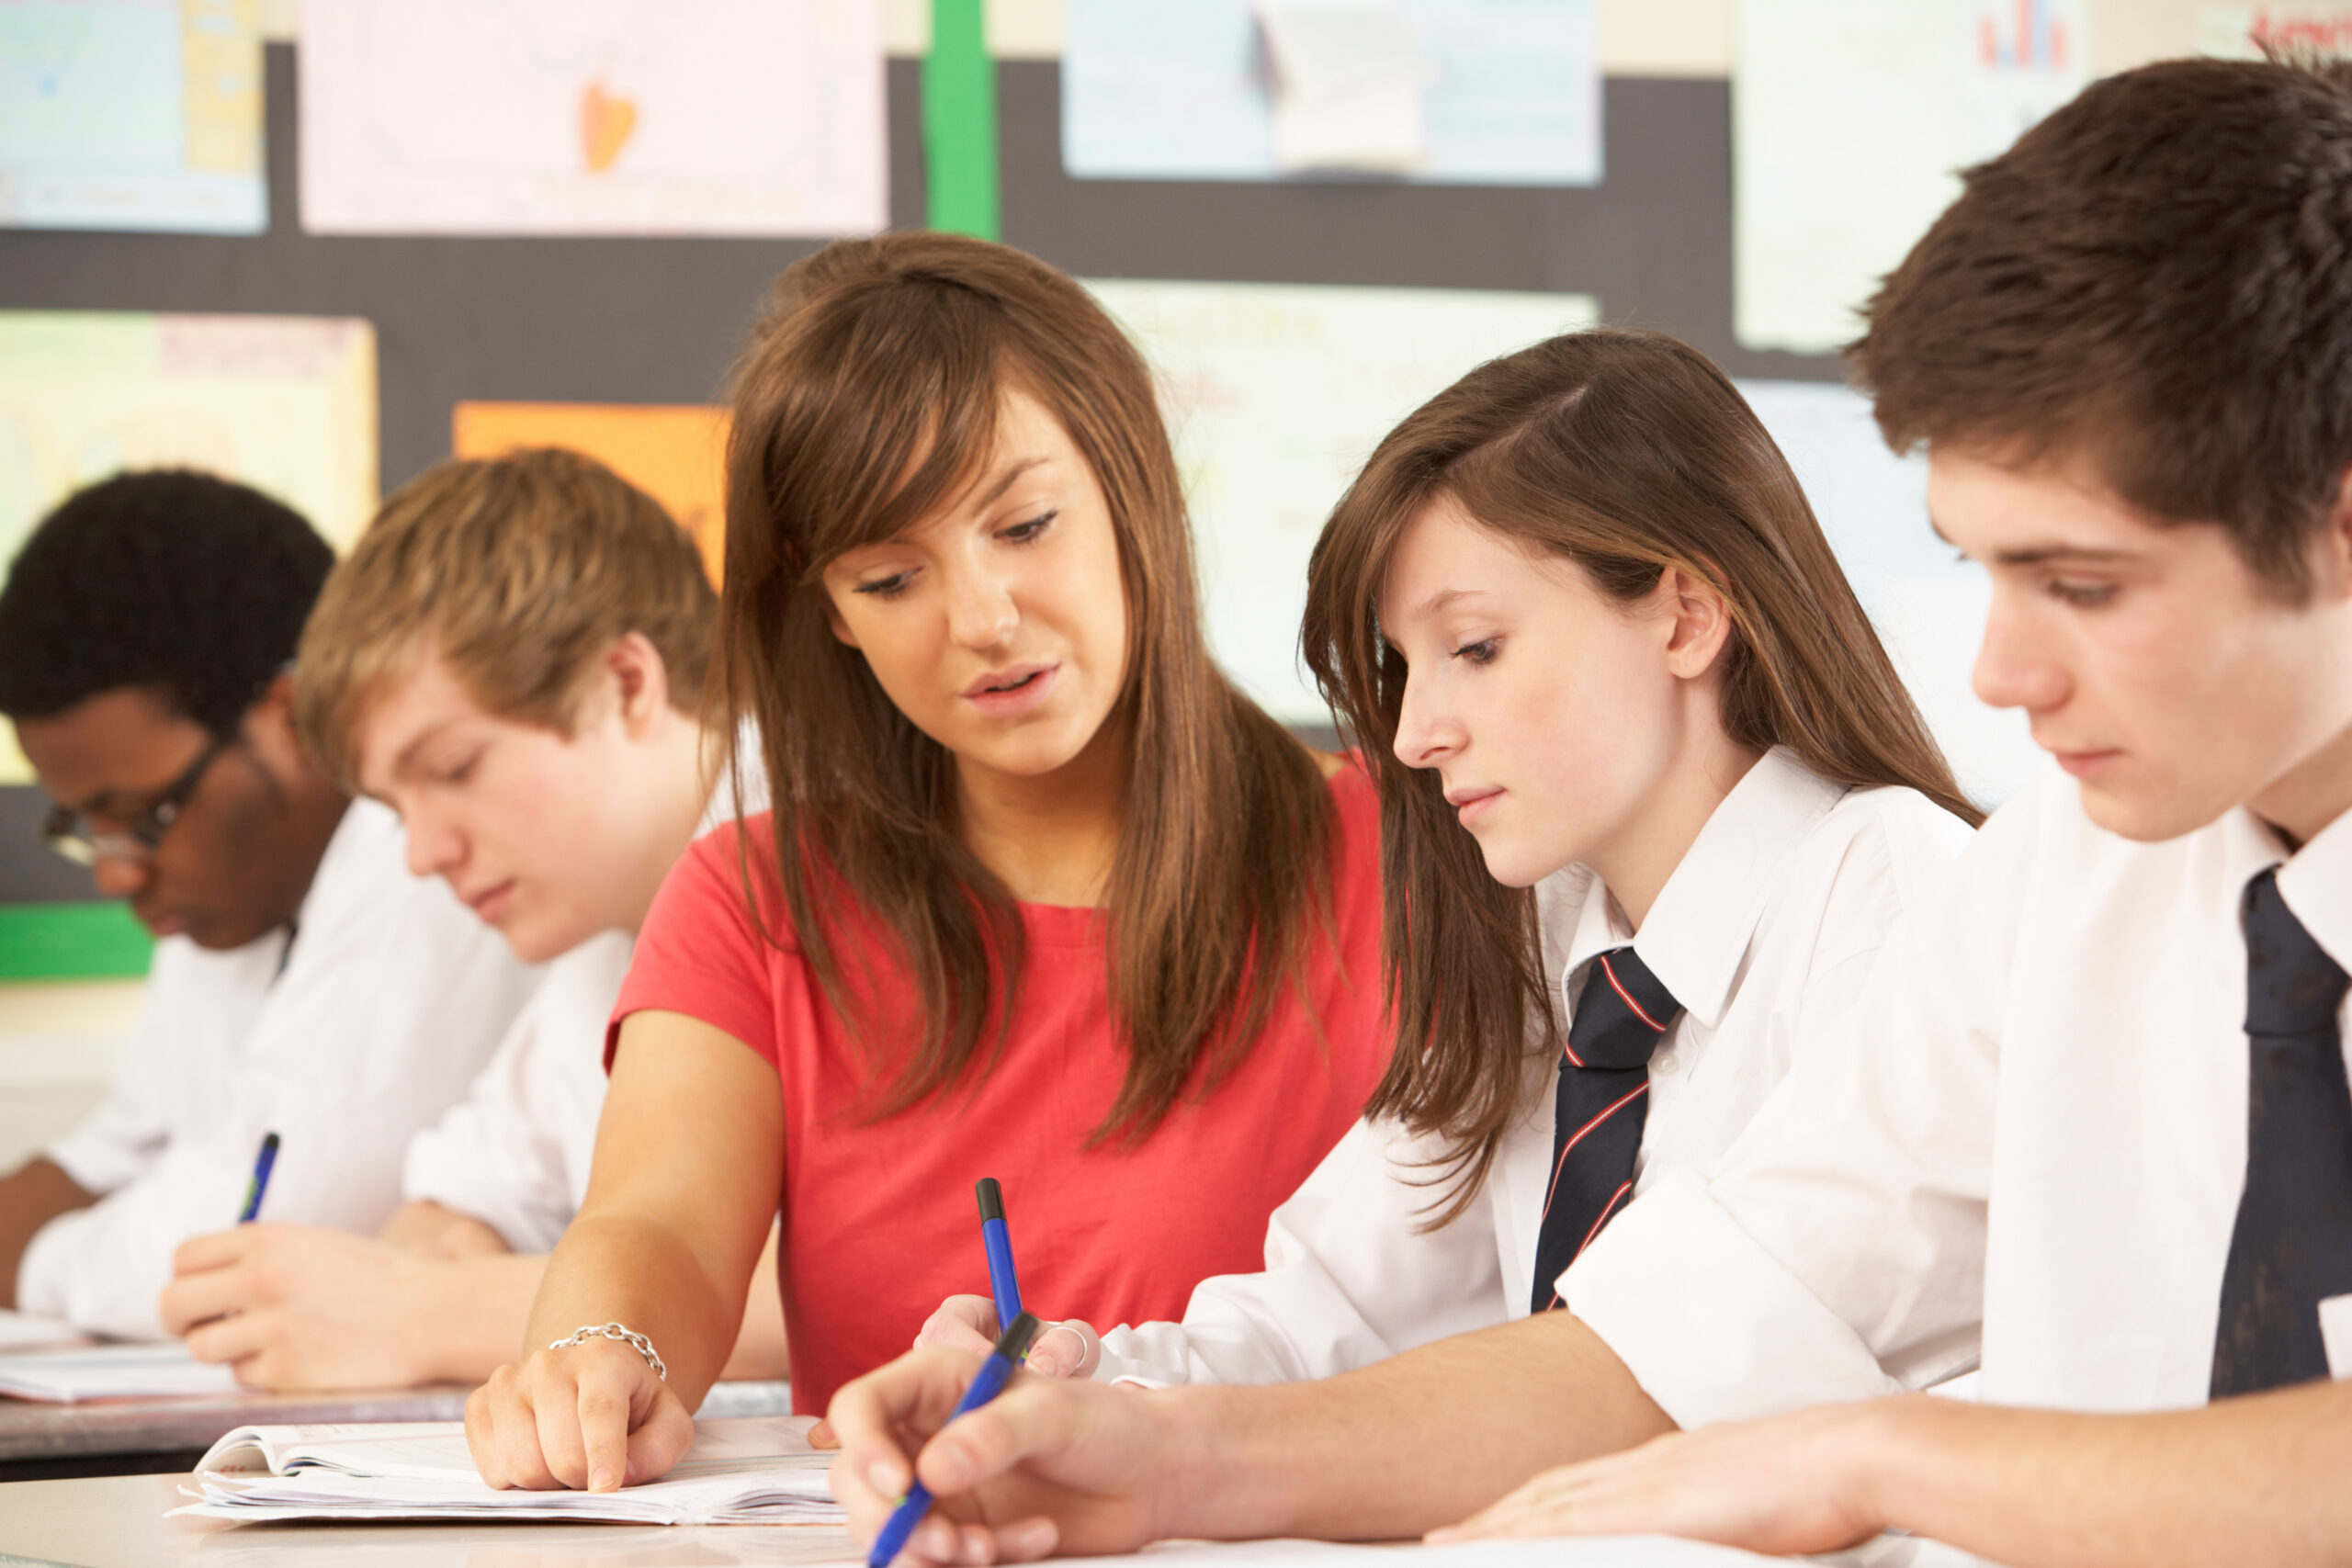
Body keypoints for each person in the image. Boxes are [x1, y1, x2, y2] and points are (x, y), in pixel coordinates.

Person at [823, 54, 2352, 1568]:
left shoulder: (1899, 881)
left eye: (2084, 585)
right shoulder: (2060, 884)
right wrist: (1141, 1452)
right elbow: (1676, 1333)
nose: (2003, 669)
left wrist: (1880, 1451)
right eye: (1984, 570)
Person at [462, 231, 1396, 1491]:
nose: (982, 617)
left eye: (1025, 523)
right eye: (891, 575)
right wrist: (597, 1347)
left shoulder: (1407, 857)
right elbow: (658, 1225)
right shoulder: (755, 899)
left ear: (1133, 488)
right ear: (831, 613)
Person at [910, 327, 1980, 1394]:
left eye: (1473, 649)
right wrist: (1059, 1385)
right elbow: (1310, 1329)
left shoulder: (1892, 893)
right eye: (1404, 666)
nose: (1417, 735)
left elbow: (1729, 1378)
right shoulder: (1552, 940)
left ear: (1686, 619)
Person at [153, 450, 788, 1389]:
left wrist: (424, 1314)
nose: (423, 854)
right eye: (396, 808)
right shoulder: (603, 947)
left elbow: (876, 1281)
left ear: (624, 682)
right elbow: (459, 1205)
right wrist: (428, 1262)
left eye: (452, 770)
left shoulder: (852, 864)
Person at [0, 470, 537, 1338]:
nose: (116, 874)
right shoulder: (228, 895)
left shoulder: (424, 859)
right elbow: (123, 1148)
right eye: (89, 829)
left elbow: (245, 1236)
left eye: (142, 817)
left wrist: (35, 1261)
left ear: (290, 715)